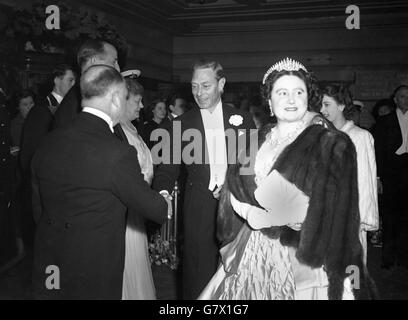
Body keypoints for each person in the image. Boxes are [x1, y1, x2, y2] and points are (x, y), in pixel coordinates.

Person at [199, 58, 377, 300]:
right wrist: (252, 214)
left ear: (308, 98)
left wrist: (290, 214)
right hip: (252, 248)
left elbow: (338, 207)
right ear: (270, 101)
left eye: (298, 92)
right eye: (282, 92)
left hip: (305, 253)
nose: (291, 99)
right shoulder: (255, 141)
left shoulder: (330, 142)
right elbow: (236, 189)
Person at [31, 65, 170, 299]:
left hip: (49, 259)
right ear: (116, 98)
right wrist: (165, 197)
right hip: (92, 268)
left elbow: (37, 203)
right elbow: (155, 209)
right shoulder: (117, 152)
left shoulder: (49, 141)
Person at [153, 59, 256, 299]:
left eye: (206, 86)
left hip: (236, 208)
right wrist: (162, 193)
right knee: (197, 272)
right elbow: (167, 169)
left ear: (221, 84)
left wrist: (236, 192)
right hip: (197, 206)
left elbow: (248, 169)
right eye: (194, 86)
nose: (199, 93)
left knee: (236, 272)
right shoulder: (180, 124)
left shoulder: (242, 120)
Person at [320, 84, 379, 265]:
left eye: (327, 104)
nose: (322, 110)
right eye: (321, 105)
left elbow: (365, 180)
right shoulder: (322, 136)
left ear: (341, 106)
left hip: (350, 216)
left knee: (351, 272)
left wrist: (361, 219)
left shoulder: (360, 137)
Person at [119, 72, 156, 299]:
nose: (141, 106)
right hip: (126, 210)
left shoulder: (132, 128)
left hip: (137, 210)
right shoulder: (117, 132)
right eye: (137, 101)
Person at [52, 39, 120, 130]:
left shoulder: (83, 94)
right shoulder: (78, 100)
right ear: (94, 61)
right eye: (114, 62)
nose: (118, 69)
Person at [20, 64, 76, 175]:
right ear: (57, 81)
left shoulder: (72, 107)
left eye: (75, 81)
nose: (73, 84)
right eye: (70, 80)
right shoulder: (41, 110)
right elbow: (31, 151)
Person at [375, 85, 408, 269]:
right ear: (395, 99)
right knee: (389, 217)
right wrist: (378, 177)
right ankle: (387, 257)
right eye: (402, 96)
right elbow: (378, 151)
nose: (406, 99)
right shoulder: (384, 121)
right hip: (391, 174)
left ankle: (403, 257)